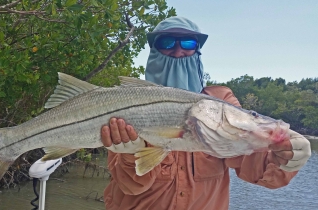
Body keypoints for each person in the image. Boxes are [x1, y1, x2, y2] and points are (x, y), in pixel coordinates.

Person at [100, 16, 311, 209]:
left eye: (189, 43)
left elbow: (260, 171)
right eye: (167, 43)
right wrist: (129, 156)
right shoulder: (126, 103)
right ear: (154, 51)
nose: (178, 51)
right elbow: (131, 186)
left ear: (197, 51)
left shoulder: (221, 101)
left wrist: (284, 157)